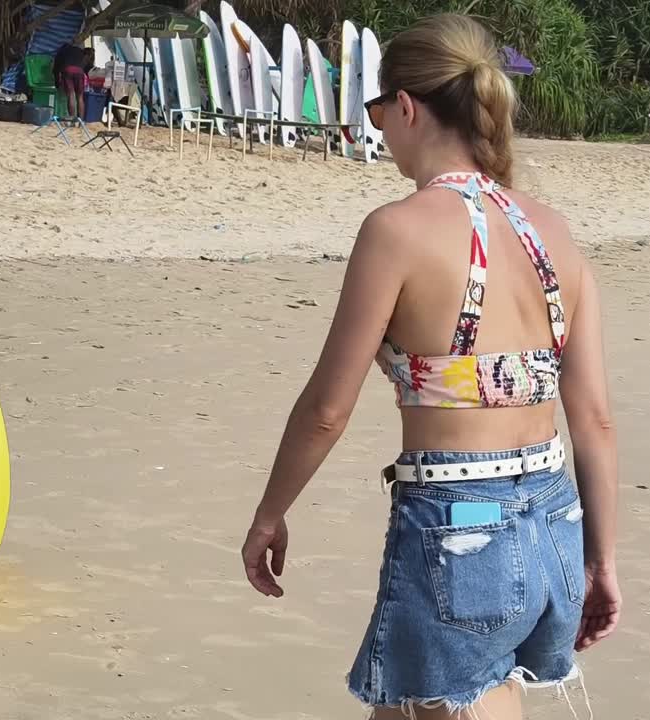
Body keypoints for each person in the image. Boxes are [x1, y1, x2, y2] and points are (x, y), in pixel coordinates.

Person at [239, 14, 620, 720]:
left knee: (442, 704)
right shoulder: (554, 231)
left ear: (407, 106)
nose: (380, 128)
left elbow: (328, 406)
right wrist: (602, 559)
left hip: (461, 526)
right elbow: (593, 417)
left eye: (378, 110)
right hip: (554, 518)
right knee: (436, 702)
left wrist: (271, 512)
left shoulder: (398, 230)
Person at [54, 43, 88, 121]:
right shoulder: (79, 51)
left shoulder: (62, 51)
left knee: (71, 94)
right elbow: (84, 63)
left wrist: (57, 83)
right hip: (80, 71)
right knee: (80, 96)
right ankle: (81, 121)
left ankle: (72, 119)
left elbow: (56, 68)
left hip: (68, 70)